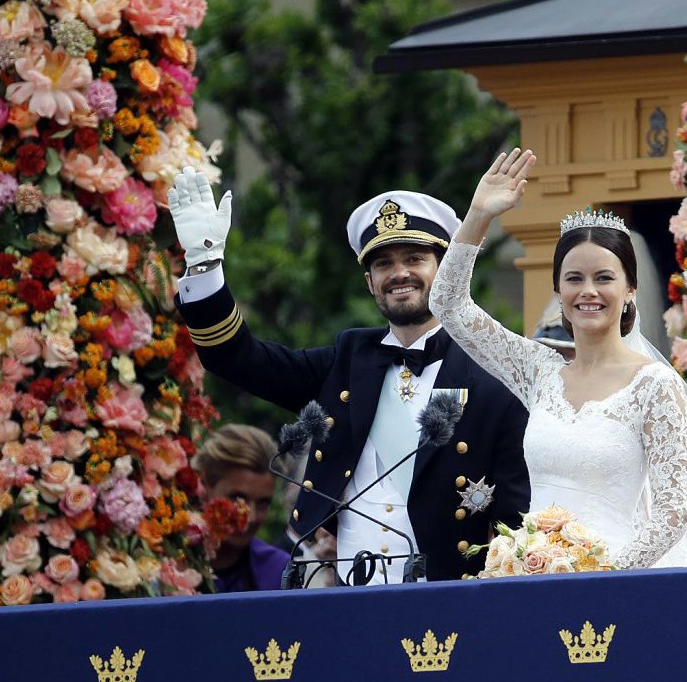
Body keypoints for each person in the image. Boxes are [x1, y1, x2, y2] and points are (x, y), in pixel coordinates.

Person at [429, 148, 687, 569]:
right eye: (574, 279)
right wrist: (478, 216)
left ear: (630, 289)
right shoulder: (538, 370)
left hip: (619, 577)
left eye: (604, 278)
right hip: (533, 573)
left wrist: (600, 575)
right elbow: (448, 305)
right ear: (558, 292)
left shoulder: (654, 383)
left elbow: (673, 513)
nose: (587, 291)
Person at [169, 166, 530, 584]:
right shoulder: (347, 359)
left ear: (446, 268)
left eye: (414, 258)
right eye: (383, 263)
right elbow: (236, 358)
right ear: (368, 281)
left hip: (451, 603)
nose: (399, 273)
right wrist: (204, 266)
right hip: (346, 601)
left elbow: (517, 518)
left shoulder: (492, 372)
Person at [193, 424, 290, 593]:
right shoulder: (158, 563)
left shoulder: (280, 573)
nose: (250, 517)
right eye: (238, 498)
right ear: (204, 487)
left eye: (263, 503)